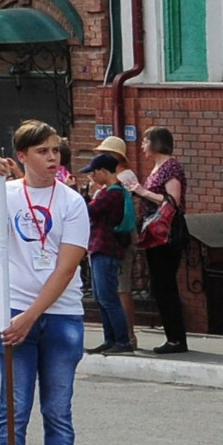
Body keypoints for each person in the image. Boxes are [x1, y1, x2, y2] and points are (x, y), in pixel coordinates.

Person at [0, 120, 89, 445]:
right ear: (22, 157)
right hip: (13, 311)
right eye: (43, 152)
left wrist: (30, 316)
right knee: (13, 413)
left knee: (58, 413)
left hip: (59, 316)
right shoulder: (4, 195)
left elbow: (67, 268)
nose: (53, 158)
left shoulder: (71, 202)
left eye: (56, 151)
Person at [126, 126, 189, 353]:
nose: (142, 146)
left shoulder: (170, 167)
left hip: (167, 231)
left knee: (165, 284)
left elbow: (172, 200)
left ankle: (176, 339)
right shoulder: (156, 167)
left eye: (145, 141)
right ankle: (172, 336)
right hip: (153, 231)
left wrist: (141, 191)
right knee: (160, 285)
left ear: (156, 143)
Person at [79, 139, 139, 354]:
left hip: (105, 248)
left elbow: (86, 211)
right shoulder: (113, 192)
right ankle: (110, 339)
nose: (92, 177)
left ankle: (122, 341)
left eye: (94, 172)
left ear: (103, 171)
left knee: (108, 298)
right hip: (100, 249)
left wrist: (83, 193)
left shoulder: (111, 193)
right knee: (101, 298)